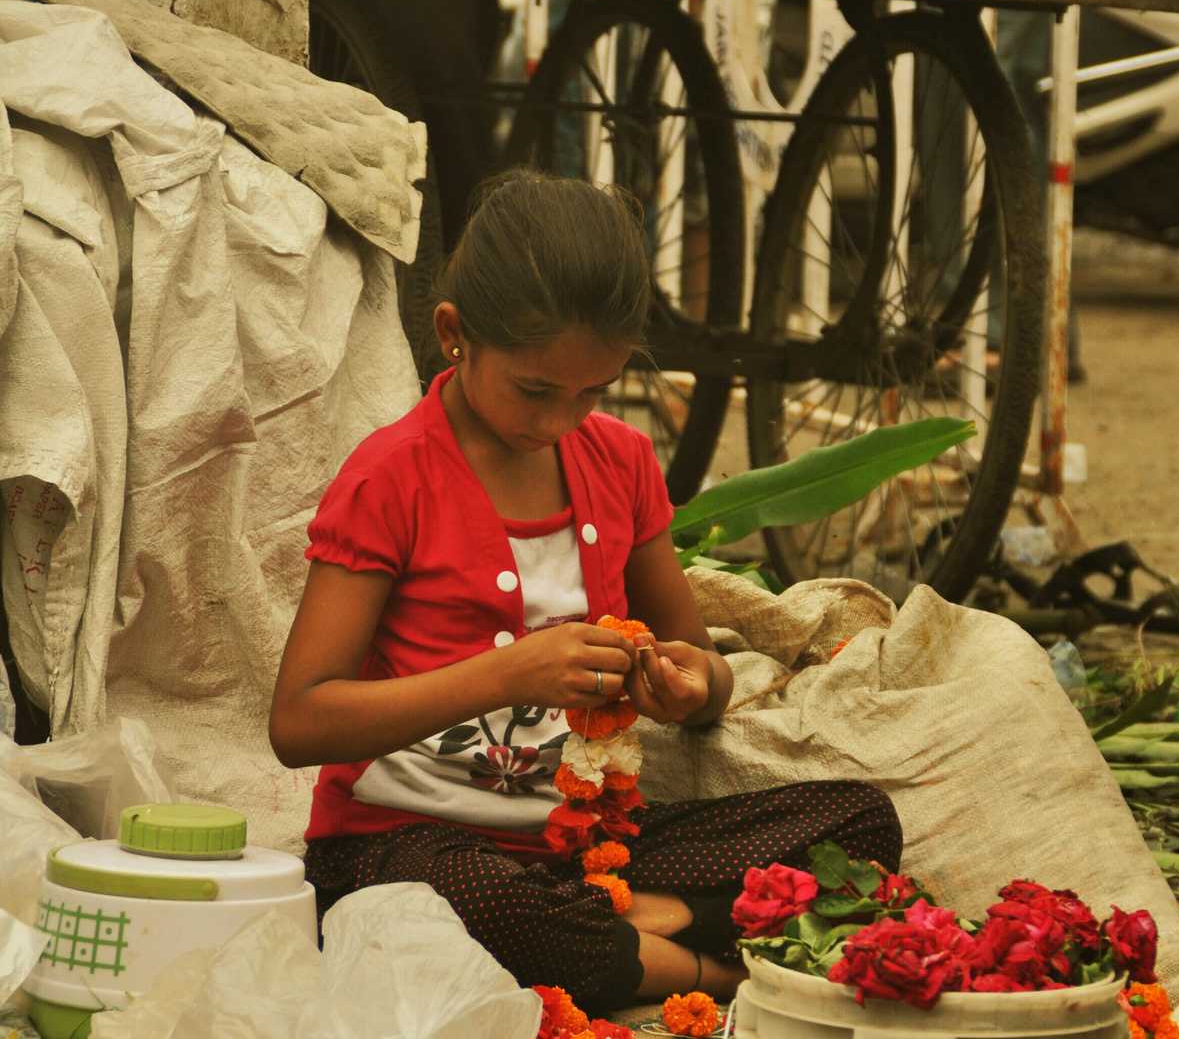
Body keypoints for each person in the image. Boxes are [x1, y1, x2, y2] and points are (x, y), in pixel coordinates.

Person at [269, 168, 902, 1012]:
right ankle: (718, 972)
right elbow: (299, 720)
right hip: (407, 851)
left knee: (861, 822)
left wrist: (683, 686)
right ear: (455, 335)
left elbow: (706, 680)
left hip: (583, 853)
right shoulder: (391, 478)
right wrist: (509, 676)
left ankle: (633, 929)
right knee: (481, 906)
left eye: (592, 392)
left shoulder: (621, 463)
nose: (560, 420)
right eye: (535, 389)